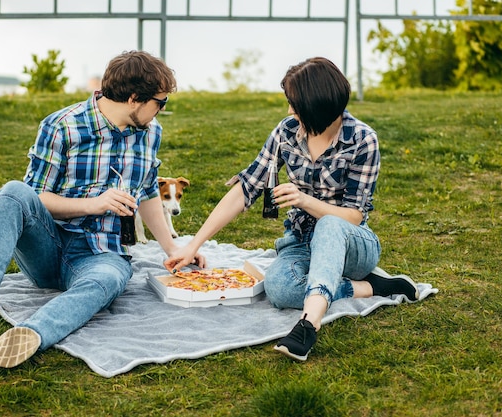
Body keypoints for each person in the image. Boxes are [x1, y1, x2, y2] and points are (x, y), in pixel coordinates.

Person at [0, 50, 204, 368]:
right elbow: (36, 197)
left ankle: (27, 337)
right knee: (13, 192)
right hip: (49, 246)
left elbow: (149, 190)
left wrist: (173, 248)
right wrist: (94, 204)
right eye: (160, 103)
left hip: (100, 255)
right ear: (135, 98)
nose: (162, 111)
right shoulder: (62, 126)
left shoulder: (151, 134)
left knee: (110, 281)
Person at [165, 57, 419, 362]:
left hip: (353, 243)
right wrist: (193, 245)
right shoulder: (286, 132)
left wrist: (303, 200)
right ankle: (368, 286)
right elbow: (245, 189)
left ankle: (307, 326)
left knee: (329, 225)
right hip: (302, 241)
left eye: (295, 104)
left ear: (317, 106)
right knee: (280, 290)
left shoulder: (363, 140)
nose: (289, 111)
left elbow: (353, 216)